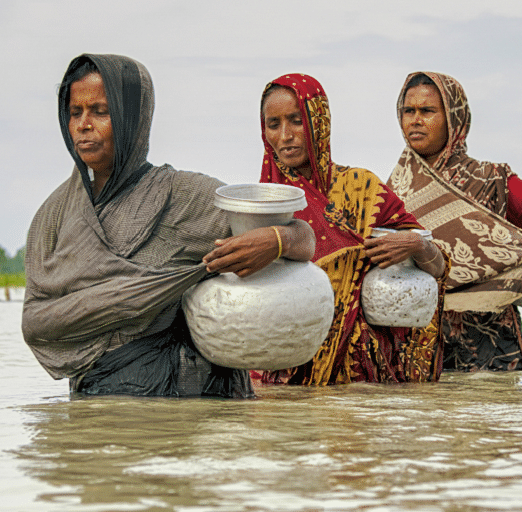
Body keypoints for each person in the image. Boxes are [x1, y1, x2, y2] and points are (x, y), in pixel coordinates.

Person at [22, 54, 316, 398]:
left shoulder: (181, 195)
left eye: (100, 111)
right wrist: (121, 300)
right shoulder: (54, 216)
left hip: (188, 404)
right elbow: (35, 322)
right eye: (75, 113)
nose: (84, 124)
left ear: (132, 117)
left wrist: (277, 240)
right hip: (98, 402)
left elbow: (303, 236)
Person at [251, 73, 448, 386]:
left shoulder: (365, 188)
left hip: (366, 382)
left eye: (296, 120)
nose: (285, 135)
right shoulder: (262, 206)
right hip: (284, 380)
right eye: (273, 125)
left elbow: (438, 268)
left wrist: (416, 245)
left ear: (319, 121)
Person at [385, 71, 522, 372]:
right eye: (408, 111)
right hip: (420, 343)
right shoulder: (390, 192)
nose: (415, 120)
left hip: (492, 342)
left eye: (427, 111)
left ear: (455, 118)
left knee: (493, 411)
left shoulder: (494, 180)